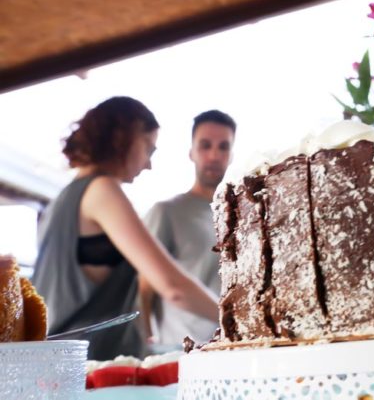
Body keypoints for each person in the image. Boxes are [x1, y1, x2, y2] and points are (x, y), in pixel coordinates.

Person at [32, 97, 218, 360]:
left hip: (56, 361)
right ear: (123, 138)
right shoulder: (102, 190)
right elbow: (172, 286)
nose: (148, 164)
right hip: (90, 367)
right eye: (148, 149)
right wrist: (233, 315)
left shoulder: (61, 201)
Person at [138, 110, 236, 349]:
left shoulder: (240, 216)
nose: (214, 154)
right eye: (205, 145)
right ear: (191, 152)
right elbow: (143, 290)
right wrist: (144, 345)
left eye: (223, 147)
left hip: (234, 350)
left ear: (231, 155)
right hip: (180, 354)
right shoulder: (166, 212)